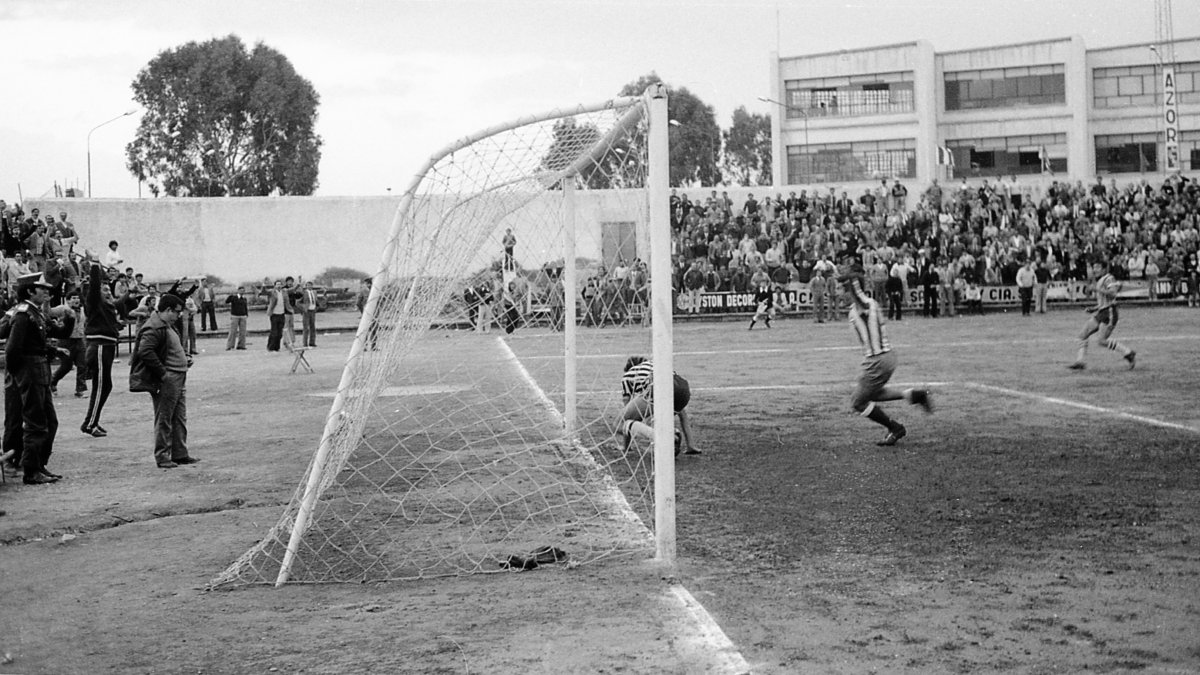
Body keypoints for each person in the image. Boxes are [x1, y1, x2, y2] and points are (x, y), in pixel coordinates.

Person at [837, 264, 932, 446]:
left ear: (852, 289)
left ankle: (895, 428)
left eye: (840, 288)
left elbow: (859, 298)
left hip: (877, 360)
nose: (837, 292)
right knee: (872, 395)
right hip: (884, 358)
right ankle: (914, 395)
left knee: (857, 402)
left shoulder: (863, 306)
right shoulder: (861, 307)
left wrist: (851, 281)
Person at [6, 273, 73, 484]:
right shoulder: (23, 314)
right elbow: (13, 349)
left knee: (50, 421)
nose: (47, 292)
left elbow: (60, 332)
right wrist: (20, 374)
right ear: (30, 291)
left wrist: (70, 318)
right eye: (42, 289)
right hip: (30, 370)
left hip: (40, 370)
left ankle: (39, 464)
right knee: (36, 422)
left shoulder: (36, 313)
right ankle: (31, 470)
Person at [132, 294, 197, 469]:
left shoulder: (165, 325)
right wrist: (163, 374)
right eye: (176, 312)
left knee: (178, 417)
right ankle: (162, 456)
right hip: (169, 378)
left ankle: (179, 453)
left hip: (178, 376)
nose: (178, 316)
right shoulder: (154, 327)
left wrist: (185, 358)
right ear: (167, 310)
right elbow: (145, 351)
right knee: (165, 417)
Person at [615, 356, 700, 456]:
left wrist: (626, 447)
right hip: (683, 389)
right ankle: (678, 437)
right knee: (652, 419)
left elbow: (627, 414)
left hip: (656, 386)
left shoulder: (628, 376)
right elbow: (683, 416)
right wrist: (691, 445)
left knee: (619, 424)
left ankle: (663, 438)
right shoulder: (656, 366)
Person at [81, 260, 129, 437]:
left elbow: (119, 302)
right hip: (99, 347)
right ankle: (90, 423)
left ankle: (93, 421)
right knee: (100, 386)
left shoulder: (107, 306)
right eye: (104, 289)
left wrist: (128, 290)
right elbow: (93, 287)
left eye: (109, 289)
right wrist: (94, 264)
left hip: (106, 346)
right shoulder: (93, 301)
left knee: (106, 386)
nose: (108, 291)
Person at [1068, 258, 1136, 370]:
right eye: (1094, 267)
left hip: (1109, 312)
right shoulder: (1100, 280)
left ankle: (1128, 352)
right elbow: (1103, 301)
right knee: (1083, 335)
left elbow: (1113, 294)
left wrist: (1096, 290)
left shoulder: (1109, 278)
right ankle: (1080, 362)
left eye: (1098, 267)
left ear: (1104, 268)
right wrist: (1093, 309)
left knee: (1102, 341)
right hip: (1102, 311)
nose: (1095, 269)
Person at [49, 291, 87, 397]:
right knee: (66, 366)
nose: (76, 300)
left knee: (82, 365)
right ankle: (52, 381)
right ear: (68, 300)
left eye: (77, 298)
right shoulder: (63, 309)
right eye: (73, 298)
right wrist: (47, 302)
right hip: (66, 340)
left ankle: (80, 389)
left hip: (79, 339)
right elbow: (49, 312)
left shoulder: (83, 310)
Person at [264, 280, 289, 352]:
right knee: (274, 332)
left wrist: (298, 284)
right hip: (274, 314)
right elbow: (264, 292)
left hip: (282, 314)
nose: (279, 286)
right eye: (277, 284)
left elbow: (292, 290)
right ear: (275, 285)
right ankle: (270, 347)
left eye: (280, 284)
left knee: (280, 332)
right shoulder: (272, 292)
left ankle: (277, 347)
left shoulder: (284, 292)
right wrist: (263, 285)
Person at [296, 280, 320, 347]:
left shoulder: (314, 292)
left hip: (313, 311)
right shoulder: (304, 293)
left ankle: (312, 342)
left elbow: (317, 301)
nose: (309, 286)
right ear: (306, 286)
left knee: (313, 327)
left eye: (310, 285)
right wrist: (303, 308)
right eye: (308, 285)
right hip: (306, 312)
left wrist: (316, 308)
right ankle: (305, 343)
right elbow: (298, 303)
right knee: (306, 328)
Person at [225, 285, 249, 350]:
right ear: (238, 291)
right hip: (235, 316)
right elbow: (227, 301)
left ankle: (241, 345)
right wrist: (230, 296)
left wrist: (246, 314)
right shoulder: (234, 298)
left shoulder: (244, 298)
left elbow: (245, 307)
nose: (242, 292)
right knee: (233, 331)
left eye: (243, 291)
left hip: (243, 316)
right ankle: (230, 345)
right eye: (241, 290)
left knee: (243, 332)